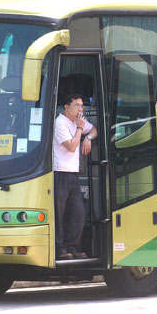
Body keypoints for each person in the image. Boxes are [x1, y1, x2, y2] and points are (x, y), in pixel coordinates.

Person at [53, 93, 97, 260]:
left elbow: (94, 129)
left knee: (77, 212)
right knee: (60, 212)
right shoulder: (60, 123)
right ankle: (60, 248)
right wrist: (79, 129)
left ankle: (73, 246)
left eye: (82, 106)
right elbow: (71, 147)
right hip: (60, 172)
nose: (80, 109)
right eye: (76, 105)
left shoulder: (77, 122)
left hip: (73, 173)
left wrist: (88, 138)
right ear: (67, 107)